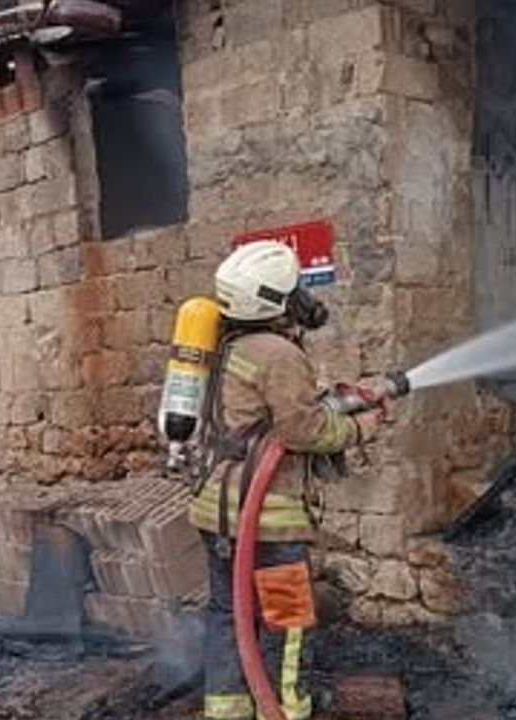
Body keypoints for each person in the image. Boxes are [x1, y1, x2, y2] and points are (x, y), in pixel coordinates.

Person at [189, 241, 387, 720]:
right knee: (287, 617)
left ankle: (228, 710)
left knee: (228, 612)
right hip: (267, 517)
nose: (300, 297)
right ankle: (286, 710)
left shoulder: (224, 344)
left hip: (215, 508)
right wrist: (363, 426)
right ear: (273, 299)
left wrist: (334, 398)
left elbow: (262, 413)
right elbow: (302, 430)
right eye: (291, 289)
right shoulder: (277, 353)